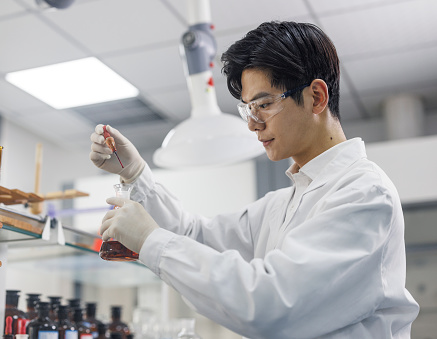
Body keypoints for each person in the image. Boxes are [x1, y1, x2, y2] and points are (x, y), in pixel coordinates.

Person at [89, 21, 419, 339]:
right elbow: (195, 236)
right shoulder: (281, 205)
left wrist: (150, 240)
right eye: (248, 109)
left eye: (264, 104)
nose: (253, 124)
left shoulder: (363, 193)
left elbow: (271, 305)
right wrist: (136, 175)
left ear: (316, 97)